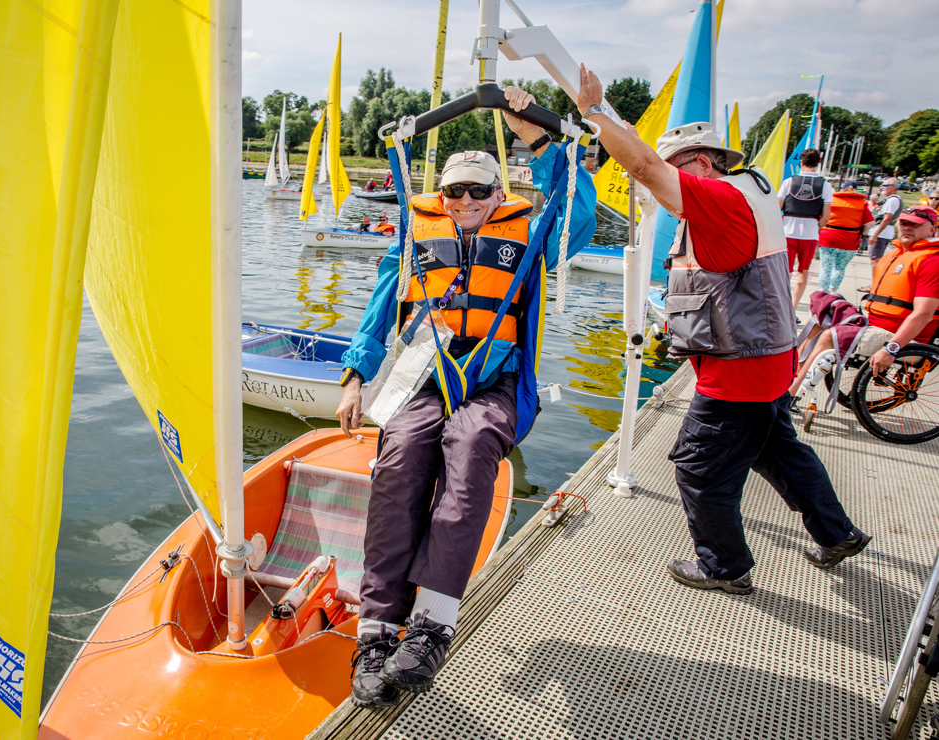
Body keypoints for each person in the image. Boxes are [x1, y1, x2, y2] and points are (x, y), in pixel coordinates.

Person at [338, 87, 597, 707]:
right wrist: (355, 374)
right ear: (443, 195)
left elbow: (578, 217)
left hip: (497, 383)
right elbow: (378, 312)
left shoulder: (531, 238)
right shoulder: (414, 237)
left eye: (481, 191)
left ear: (498, 197)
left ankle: (432, 622)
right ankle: (376, 630)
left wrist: (535, 133)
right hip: (426, 378)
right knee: (398, 457)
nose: (467, 202)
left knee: (472, 442)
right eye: (456, 191)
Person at [574, 62, 869, 597]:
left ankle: (724, 566)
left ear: (703, 162)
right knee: (777, 451)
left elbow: (641, 166)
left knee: (699, 465)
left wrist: (594, 112)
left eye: (677, 168)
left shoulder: (717, 199)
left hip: (737, 374)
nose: (671, 179)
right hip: (769, 361)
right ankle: (837, 532)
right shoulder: (752, 191)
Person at [790, 206, 939, 395]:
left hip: (902, 337)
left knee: (831, 336)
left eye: (915, 224)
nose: (907, 227)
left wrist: (892, 348)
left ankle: (788, 397)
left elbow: (924, 314)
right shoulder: (896, 254)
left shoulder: (932, 261)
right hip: (874, 324)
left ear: (932, 229)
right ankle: (790, 379)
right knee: (821, 317)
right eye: (903, 222)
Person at [778, 149, 833, 309]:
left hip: (788, 231)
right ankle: (793, 309)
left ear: (801, 162)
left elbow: (777, 207)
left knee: (785, 273)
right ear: (819, 163)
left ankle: (781, 306)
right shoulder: (825, 185)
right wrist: (816, 227)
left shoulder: (789, 182)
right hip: (810, 234)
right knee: (803, 272)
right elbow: (826, 216)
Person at [816, 189, 874, 293]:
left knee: (825, 269)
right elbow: (870, 223)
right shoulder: (862, 203)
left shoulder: (832, 200)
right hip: (850, 241)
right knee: (840, 268)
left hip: (829, 238)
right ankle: (833, 291)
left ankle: (822, 292)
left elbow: (822, 218)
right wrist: (861, 232)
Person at [864, 178, 903, 289]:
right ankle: (876, 284)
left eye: (885, 185)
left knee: (875, 260)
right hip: (882, 232)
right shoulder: (891, 199)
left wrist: (875, 234)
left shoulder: (892, 200)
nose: (882, 187)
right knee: (876, 259)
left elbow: (887, 219)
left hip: (882, 233)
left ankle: (875, 285)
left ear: (893, 187)